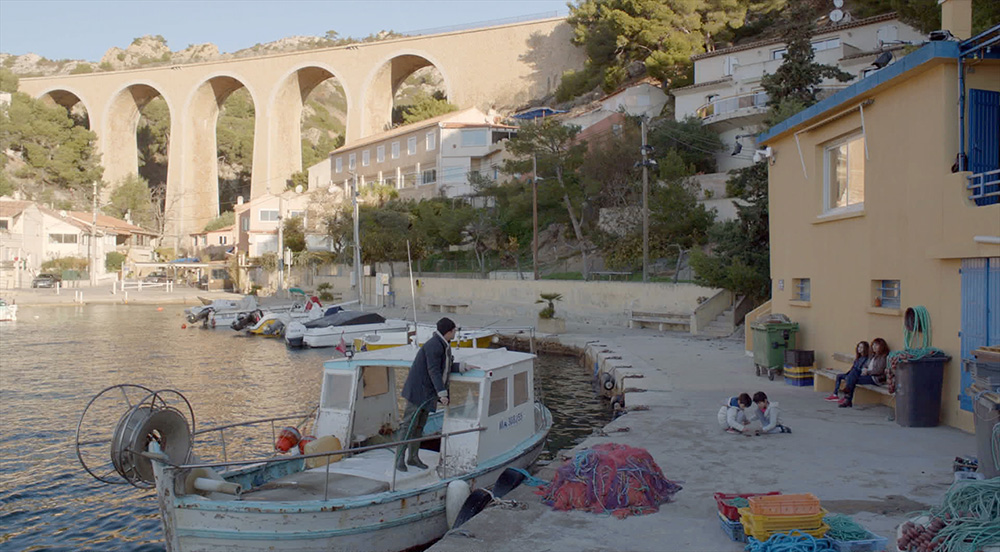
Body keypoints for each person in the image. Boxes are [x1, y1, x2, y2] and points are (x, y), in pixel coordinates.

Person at [397, 317, 466, 471]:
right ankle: (399, 459)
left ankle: (413, 457)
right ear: (448, 332)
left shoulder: (442, 344)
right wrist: (442, 393)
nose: (455, 333)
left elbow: (444, 367)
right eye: (454, 330)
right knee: (408, 425)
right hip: (418, 392)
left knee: (419, 426)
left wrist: (463, 367)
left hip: (427, 392)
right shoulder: (435, 345)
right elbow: (434, 370)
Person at [839, 337, 889, 408]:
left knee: (851, 379)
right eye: (873, 345)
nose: (874, 347)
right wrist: (864, 369)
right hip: (867, 375)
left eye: (876, 345)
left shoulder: (883, 357)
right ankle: (848, 399)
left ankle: (848, 398)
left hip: (876, 378)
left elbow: (879, 370)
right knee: (854, 373)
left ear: (882, 346)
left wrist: (867, 372)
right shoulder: (872, 355)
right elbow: (865, 365)